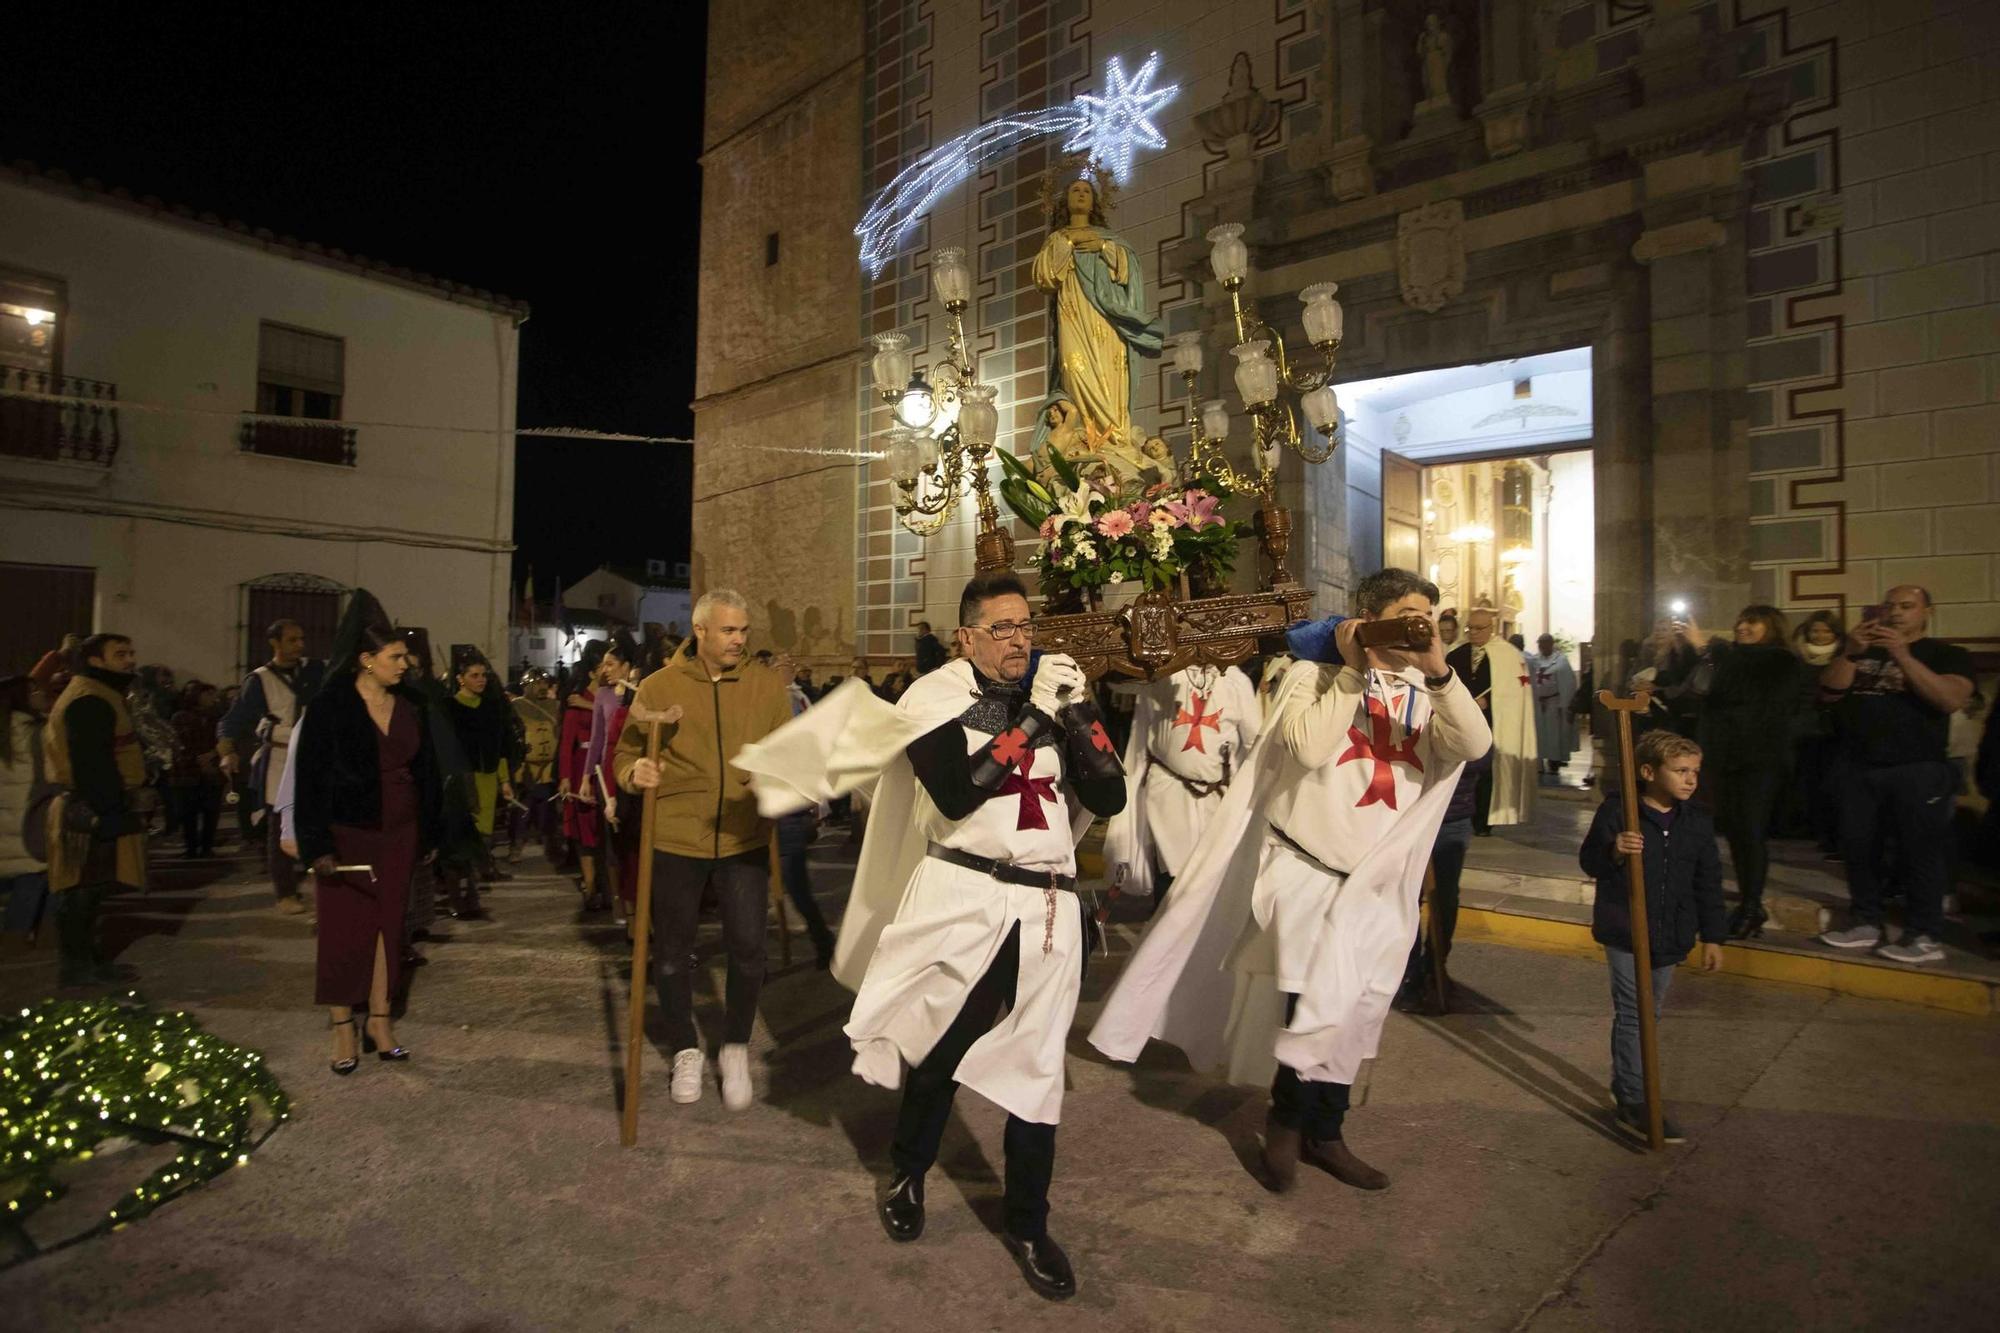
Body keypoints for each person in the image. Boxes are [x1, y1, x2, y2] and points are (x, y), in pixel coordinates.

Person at [733, 569, 1126, 1299]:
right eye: (1002, 628)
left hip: (1045, 909)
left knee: (1038, 1071)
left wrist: (1077, 713)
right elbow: (954, 787)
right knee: (940, 1047)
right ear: (966, 636)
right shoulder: (933, 696)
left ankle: (1029, 1223)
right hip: (965, 897)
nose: (1020, 639)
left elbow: (1110, 791)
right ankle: (909, 1170)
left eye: (1027, 626)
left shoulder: (1051, 692)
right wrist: (1036, 718)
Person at [1091, 568, 1491, 1197]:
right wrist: (1354, 669)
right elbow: (1305, 749)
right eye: (1405, 616)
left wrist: (1438, 666)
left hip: (1376, 884)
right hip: (1305, 870)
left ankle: (1325, 1132)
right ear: (1368, 617)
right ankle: (1287, 1117)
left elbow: (1473, 744)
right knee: (1309, 999)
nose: (1415, 628)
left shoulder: (1428, 688)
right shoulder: (1313, 677)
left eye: (1427, 618)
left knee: (1356, 1009)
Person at [616, 590, 789, 1111]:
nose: (740, 639)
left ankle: (734, 1045)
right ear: (702, 632)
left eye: (744, 631)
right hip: (675, 835)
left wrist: (784, 776)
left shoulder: (764, 685)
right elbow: (627, 751)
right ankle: (685, 1049)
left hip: (742, 834)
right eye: (730, 631)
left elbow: (787, 745)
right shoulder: (658, 685)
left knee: (749, 948)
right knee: (671, 952)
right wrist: (633, 772)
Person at [294, 592, 440, 1074]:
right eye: (395, 656)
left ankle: (379, 1020)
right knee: (343, 930)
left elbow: (427, 774)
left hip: (399, 832)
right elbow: (310, 781)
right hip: (347, 833)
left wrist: (431, 833)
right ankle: (341, 1026)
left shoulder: (411, 706)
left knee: (389, 928)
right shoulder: (328, 708)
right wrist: (316, 845)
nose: (405, 663)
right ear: (366, 660)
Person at [1578, 729, 1725, 1142]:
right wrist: (1615, 852)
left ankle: (1628, 1085)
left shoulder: (1696, 821)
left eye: (1695, 771)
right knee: (1634, 1012)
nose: (1690, 779)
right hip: (1626, 929)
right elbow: (1589, 861)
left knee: (1651, 1012)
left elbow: (1708, 880)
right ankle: (1634, 1100)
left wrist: (1714, 936)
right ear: (1647, 772)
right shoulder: (1619, 813)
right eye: (1680, 771)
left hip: (1671, 932)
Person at [1817, 586, 1974, 964]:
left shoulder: (1946, 654)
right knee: (1858, 848)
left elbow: (1949, 699)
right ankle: (1866, 921)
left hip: (1917, 768)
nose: (1897, 613)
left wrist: (1902, 654)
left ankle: (1924, 934)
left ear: (1927, 612)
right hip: (1859, 766)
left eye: (1907, 606)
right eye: (1891, 605)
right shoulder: (1863, 651)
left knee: (1919, 852)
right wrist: (1851, 652)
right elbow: (1829, 693)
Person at [1101, 663, 1260, 915]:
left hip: (1218, 797)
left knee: (1213, 877)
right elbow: (1118, 683)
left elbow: (1255, 742)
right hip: (1169, 791)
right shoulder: (1167, 675)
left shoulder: (1235, 680)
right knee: (1174, 878)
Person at [1688, 606, 1804, 937]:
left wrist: (1707, 649)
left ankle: (1752, 905)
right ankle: (1745, 899)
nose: (1741, 626)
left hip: (1758, 758)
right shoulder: (1729, 656)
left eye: (1751, 622)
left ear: (1771, 626)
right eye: (1740, 620)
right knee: (1734, 831)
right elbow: (1702, 689)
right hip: (1723, 756)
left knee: (1750, 830)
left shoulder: (1782, 661)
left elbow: (1740, 691)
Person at [42, 633, 150, 986]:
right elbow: (93, 764)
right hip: (87, 810)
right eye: (120, 654)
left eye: (131, 652)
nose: (130, 659)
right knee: (80, 889)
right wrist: (110, 813)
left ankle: (88, 960)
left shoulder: (101, 694)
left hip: (91, 805)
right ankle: (76, 967)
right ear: (95, 661)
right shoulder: (89, 699)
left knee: (91, 888)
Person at [218, 620, 326, 914]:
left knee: (320, 823)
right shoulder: (258, 680)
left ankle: (323, 886)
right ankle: (285, 892)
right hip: (280, 759)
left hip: (315, 758)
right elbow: (234, 719)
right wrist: (227, 751)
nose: (300, 645)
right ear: (275, 643)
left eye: (302, 638)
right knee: (281, 829)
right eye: (292, 640)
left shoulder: (315, 670)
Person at [1395, 746, 1489, 1013]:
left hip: (1452, 819)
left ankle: (1435, 967)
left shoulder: (1464, 708)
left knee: (1446, 900)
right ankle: (1409, 975)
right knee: (1407, 900)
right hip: (1411, 819)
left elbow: (1482, 755)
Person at [1445, 608, 1535, 833]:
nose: (1473, 633)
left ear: (1491, 628)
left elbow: (1517, 691)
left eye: (1479, 628)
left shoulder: (1509, 656)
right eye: (1470, 628)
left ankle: (1483, 821)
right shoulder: (1456, 653)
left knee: (1487, 773)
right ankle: (1459, 815)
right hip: (1462, 722)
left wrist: (1491, 700)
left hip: (1494, 723)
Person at [587, 634, 642, 927]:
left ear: (626, 666)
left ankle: (635, 902)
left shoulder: (640, 694)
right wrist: (586, 776)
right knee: (612, 844)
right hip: (607, 770)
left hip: (633, 770)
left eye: (610, 664)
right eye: (603, 664)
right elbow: (597, 738)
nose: (604, 669)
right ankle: (619, 900)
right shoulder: (602, 696)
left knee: (631, 840)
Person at [0, 675, 51, 948]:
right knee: (33, 875)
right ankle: (20, 936)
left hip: (6, 815)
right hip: (29, 813)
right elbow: (50, 774)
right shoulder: (34, 731)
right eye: (33, 689)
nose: (40, 692)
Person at [559, 641, 609, 906]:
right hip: (582, 768)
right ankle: (589, 884)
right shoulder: (576, 701)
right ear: (592, 672)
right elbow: (566, 743)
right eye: (603, 666)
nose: (607, 671)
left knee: (604, 828)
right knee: (585, 829)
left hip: (607, 766)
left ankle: (605, 883)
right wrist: (566, 776)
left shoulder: (613, 696)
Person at [167, 681, 225, 859]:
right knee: (188, 812)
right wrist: (197, 758)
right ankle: (191, 847)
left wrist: (213, 753)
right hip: (188, 772)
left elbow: (225, 739)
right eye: (207, 694)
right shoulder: (180, 717)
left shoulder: (217, 716)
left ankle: (207, 847)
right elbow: (179, 743)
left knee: (211, 812)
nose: (212, 699)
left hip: (212, 770)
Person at [509, 670, 560, 863]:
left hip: (548, 766)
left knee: (548, 808)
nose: (542, 686)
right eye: (537, 683)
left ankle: (551, 844)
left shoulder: (555, 706)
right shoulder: (516, 706)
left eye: (544, 682)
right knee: (522, 807)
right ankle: (516, 845)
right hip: (526, 767)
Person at [1526, 635, 1578, 776]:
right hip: (1537, 702)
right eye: (1540, 644)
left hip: (1554, 703)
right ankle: (1539, 762)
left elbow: (1568, 683)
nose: (1542, 646)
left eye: (1544, 643)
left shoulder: (1561, 661)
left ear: (1551, 644)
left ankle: (1554, 762)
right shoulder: (1535, 660)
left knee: (1553, 733)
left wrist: (1565, 705)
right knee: (1539, 734)